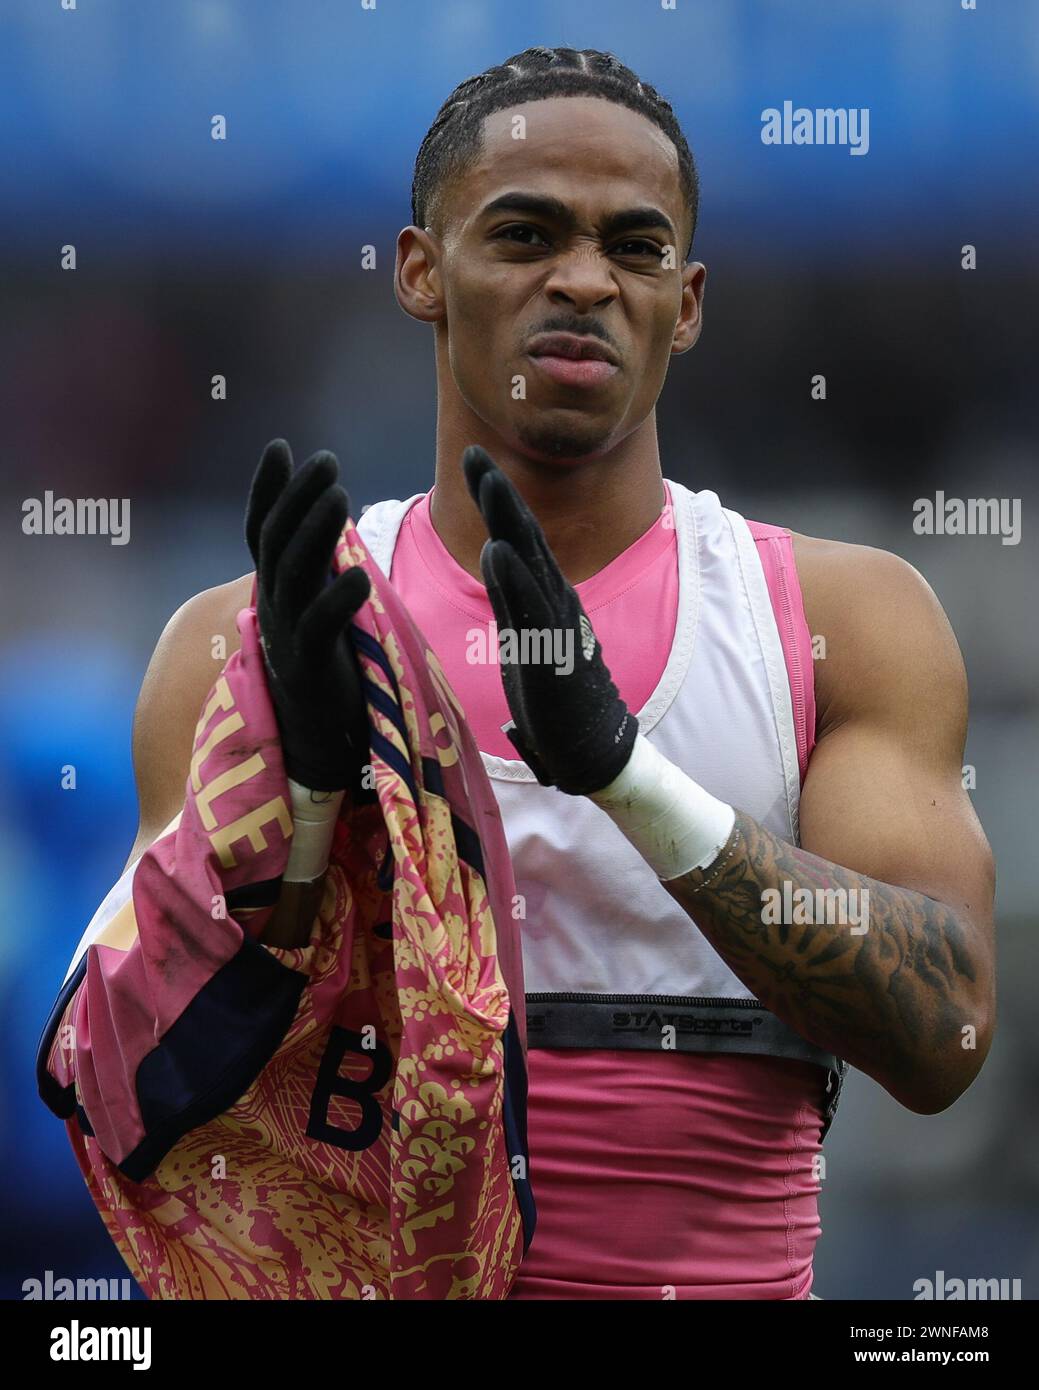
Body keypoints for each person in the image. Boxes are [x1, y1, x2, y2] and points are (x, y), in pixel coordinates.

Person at [53, 47, 996, 1299]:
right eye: (526, 232)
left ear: (691, 299)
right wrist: (311, 816)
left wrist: (629, 776)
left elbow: (944, 1035)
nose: (584, 280)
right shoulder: (245, 641)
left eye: (637, 247)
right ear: (419, 271)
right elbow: (125, 1091)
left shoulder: (838, 620)